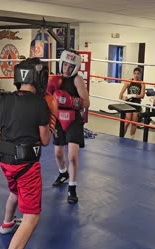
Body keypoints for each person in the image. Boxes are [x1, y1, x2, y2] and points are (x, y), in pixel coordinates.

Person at [0, 57, 56, 249]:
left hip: (5, 162)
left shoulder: (4, 99)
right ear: (40, 78)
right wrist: (48, 125)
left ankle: (6, 224)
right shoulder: (41, 104)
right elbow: (44, 141)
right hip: (26, 165)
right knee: (32, 217)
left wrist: (5, 127)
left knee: (15, 191)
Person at [50, 50, 90, 204]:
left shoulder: (77, 80)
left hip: (74, 120)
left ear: (76, 67)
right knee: (58, 153)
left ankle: (72, 188)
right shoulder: (56, 79)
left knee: (72, 156)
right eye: (65, 64)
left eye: (70, 66)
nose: (66, 68)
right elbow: (48, 98)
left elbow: (86, 103)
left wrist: (71, 101)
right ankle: (63, 173)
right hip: (59, 119)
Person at [118, 67, 146, 139]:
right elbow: (120, 94)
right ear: (133, 74)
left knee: (134, 122)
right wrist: (124, 97)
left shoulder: (142, 83)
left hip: (136, 104)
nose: (136, 75)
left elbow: (142, 96)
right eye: (135, 73)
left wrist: (133, 95)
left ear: (140, 74)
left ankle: (132, 138)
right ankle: (121, 137)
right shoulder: (128, 82)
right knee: (127, 122)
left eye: (138, 74)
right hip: (129, 103)